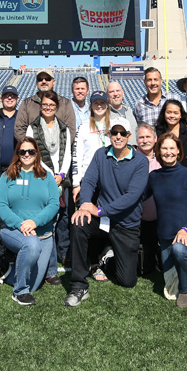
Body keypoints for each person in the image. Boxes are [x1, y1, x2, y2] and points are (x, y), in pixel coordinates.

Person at [64, 122, 148, 307]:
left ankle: (106, 258)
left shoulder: (141, 161)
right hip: (102, 220)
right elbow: (89, 181)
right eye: (114, 133)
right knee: (79, 223)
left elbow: (132, 196)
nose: (118, 137)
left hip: (126, 224)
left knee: (127, 281)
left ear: (128, 137)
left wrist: (101, 210)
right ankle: (79, 285)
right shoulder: (101, 154)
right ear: (109, 135)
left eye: (122, 133)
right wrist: (85, 205)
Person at [0, 138, 60, 306]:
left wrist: (35, 222)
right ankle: (19, 292)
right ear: (17, 153)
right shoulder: (7, 175)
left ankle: (6, 269)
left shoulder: (47, 177)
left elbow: (54, 204)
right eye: (22, 151)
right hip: (13, 230)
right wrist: (20, 224)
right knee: (31, 245)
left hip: (42, 234)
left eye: (31, 151)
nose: (27, 155)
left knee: (34, 284)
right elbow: (1, 204)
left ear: (36, 153)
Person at [23, 89, 73, 282]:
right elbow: (32, 153)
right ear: (41, 106)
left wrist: (61, 175)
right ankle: (50, 269)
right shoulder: (32, 127)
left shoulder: (64, 127)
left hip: (60, 179)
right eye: (45, 105)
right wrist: (51, 175)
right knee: (46, 223)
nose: (48, 108)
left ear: (57, 107)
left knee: (63, 218)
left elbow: (67, 153)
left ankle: (63, 255)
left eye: (52, 105)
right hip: (42, 178)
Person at [146, 133, 187, 307]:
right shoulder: (154, 176)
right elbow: (137, 199)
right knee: (170, 276)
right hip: (165, 237)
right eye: (164, 148)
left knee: (179, 250)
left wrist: (185, 229)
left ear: (178, 151)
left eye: (172, 148)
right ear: (158, 151)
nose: (168, 152)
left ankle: (185, 291)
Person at [74, 91, 128, 195]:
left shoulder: (116, 125)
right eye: (96, 103)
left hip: (111, 178)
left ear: (107, 105)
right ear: (91, 106)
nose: (99, 106)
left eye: (102, 103)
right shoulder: (83, 127)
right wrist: (76, 183)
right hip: (89, 179)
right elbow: (77, 155)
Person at [14, 70, 77, 141]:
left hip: (58, 150)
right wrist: (31, 148)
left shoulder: (65, 103)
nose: (44, 81)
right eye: (40, 79)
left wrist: (58, 149)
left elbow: (70, 131)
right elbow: (19, 129)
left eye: (47, 79)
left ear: (53, 82)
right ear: (36, 82)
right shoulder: (26, 103)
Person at [136, 124, 162, 275]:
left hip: (158, 220)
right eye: (141, 137)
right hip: (136, 220)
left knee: (152, 268)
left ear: (155, 139)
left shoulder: (163, 159)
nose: (145, 140)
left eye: (148, 137)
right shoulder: (130, 158)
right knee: (140, 269)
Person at [155, 99, 187, 174]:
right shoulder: (158, 132)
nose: (172, 116)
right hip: (164, 174)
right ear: (164, 113)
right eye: (169, 112)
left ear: (181, 115)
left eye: (176, 113)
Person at [0, 85, 20, 177]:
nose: (9, 98)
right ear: (1, 99)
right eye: (6, 96)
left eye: (12, 96)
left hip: (18, 170)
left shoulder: (23, 118)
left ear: (17, 99)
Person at [106, 80, 138, 145]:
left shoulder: (130, 111)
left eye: (118, 91)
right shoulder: (104, 114)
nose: (115, 94)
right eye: (111, 92)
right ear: (107, 95)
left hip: (134, 152)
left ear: (123, 93)